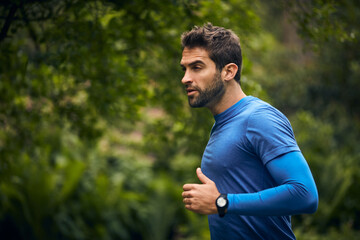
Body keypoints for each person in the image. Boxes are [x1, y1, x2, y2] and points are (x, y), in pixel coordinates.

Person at [180, 23, 318, 240]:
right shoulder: (223, 124)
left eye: (196, 67)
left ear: (229, 71)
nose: (185, 78)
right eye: (185, 69)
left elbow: (305, 194)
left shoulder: (258, 118)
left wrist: (221, 202)